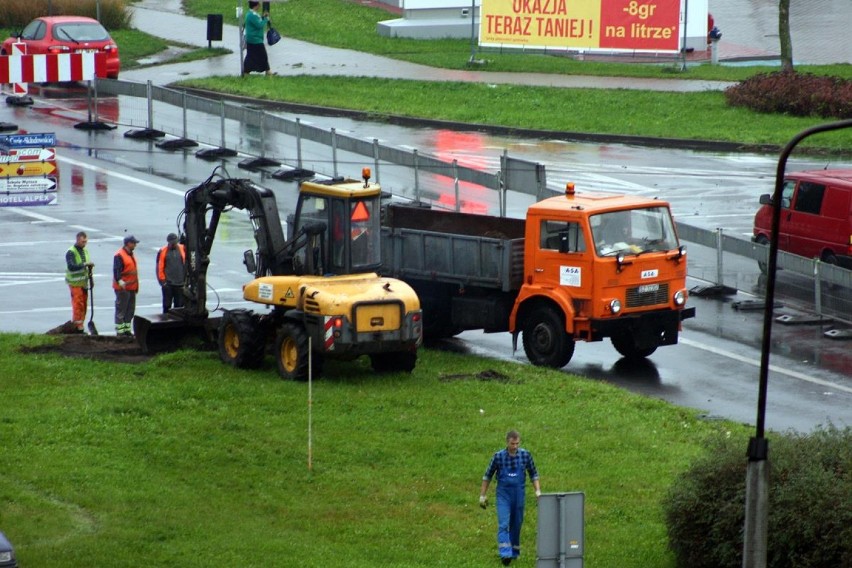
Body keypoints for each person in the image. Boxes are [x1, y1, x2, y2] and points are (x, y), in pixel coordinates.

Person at [480, 430, 541, 566]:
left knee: (517, 524)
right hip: (503, 495)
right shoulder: (498, 457)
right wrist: (482, 496)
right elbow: (487, 476)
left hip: (519, 495)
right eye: (512, 444)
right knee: (503, 524)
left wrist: (538, 492)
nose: (515, 446)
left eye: (517, 443)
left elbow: (534, 474)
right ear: (507, 442)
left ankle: (514, 551)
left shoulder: (525, 455)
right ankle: (505, 554)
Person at [65, 231, 94, 333]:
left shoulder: (85, 251)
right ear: (77, 240)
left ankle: (80, 325)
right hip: (75, 283)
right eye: (83, 241)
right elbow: (71, 267)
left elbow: (85, 269)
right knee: (78, 305)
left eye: (85, 241)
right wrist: (84, 264)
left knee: (84, 305)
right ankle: (77, 327)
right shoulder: (71, 252)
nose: (84, 243)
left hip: (83, 283)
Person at [113, 235, 140, 336]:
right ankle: (120, 332)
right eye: (134, 243)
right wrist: (120, 281)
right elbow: (116, 271)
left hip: (131, 287)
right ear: (128, 243)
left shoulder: (130, 254)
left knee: (130, 310)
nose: (135, 245)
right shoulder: (119, 255)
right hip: (123, 289)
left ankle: (127, 330)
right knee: (121, 310)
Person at [156, 233, 186, 313]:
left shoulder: (182, 248)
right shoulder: (162, 251)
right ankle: (165, 321)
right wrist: (163, 282)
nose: (174, 244)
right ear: (168, 242)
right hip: (168, 284)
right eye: (172, 243)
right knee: (167, 305)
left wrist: (186, 280)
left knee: (179, 306)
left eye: (175, 243)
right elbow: (159, 267)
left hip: (180, 283)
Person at [243, 0, 273, 76]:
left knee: (251, 56)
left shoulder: (252, 14)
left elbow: (258, 21)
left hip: (253, 39)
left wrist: (263, 17)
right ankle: (268, 71)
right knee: (263, 55)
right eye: (258, 4)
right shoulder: (252, 15)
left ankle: (246, 71)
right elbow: (259, 25)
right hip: (255, 39)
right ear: (255, 5)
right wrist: (266, 19)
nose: (259, 5)